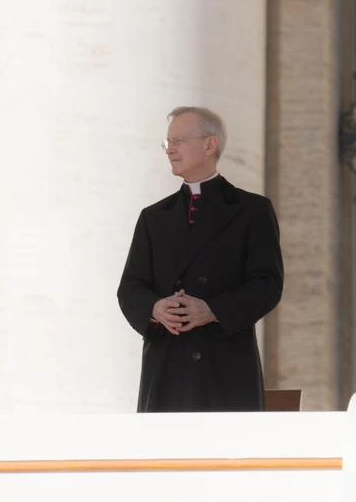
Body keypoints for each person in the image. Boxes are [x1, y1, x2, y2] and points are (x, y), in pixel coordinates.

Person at [117, 107, 283, 412]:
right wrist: (155, 309)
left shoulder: (251, 210)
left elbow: (267, 285)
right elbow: (130, 287)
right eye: (167, 143)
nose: (171, 150)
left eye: (178, 140)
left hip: (225, 367)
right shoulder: (153, 217)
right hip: (167, 367)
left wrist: (212, 310)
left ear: (210, 145)